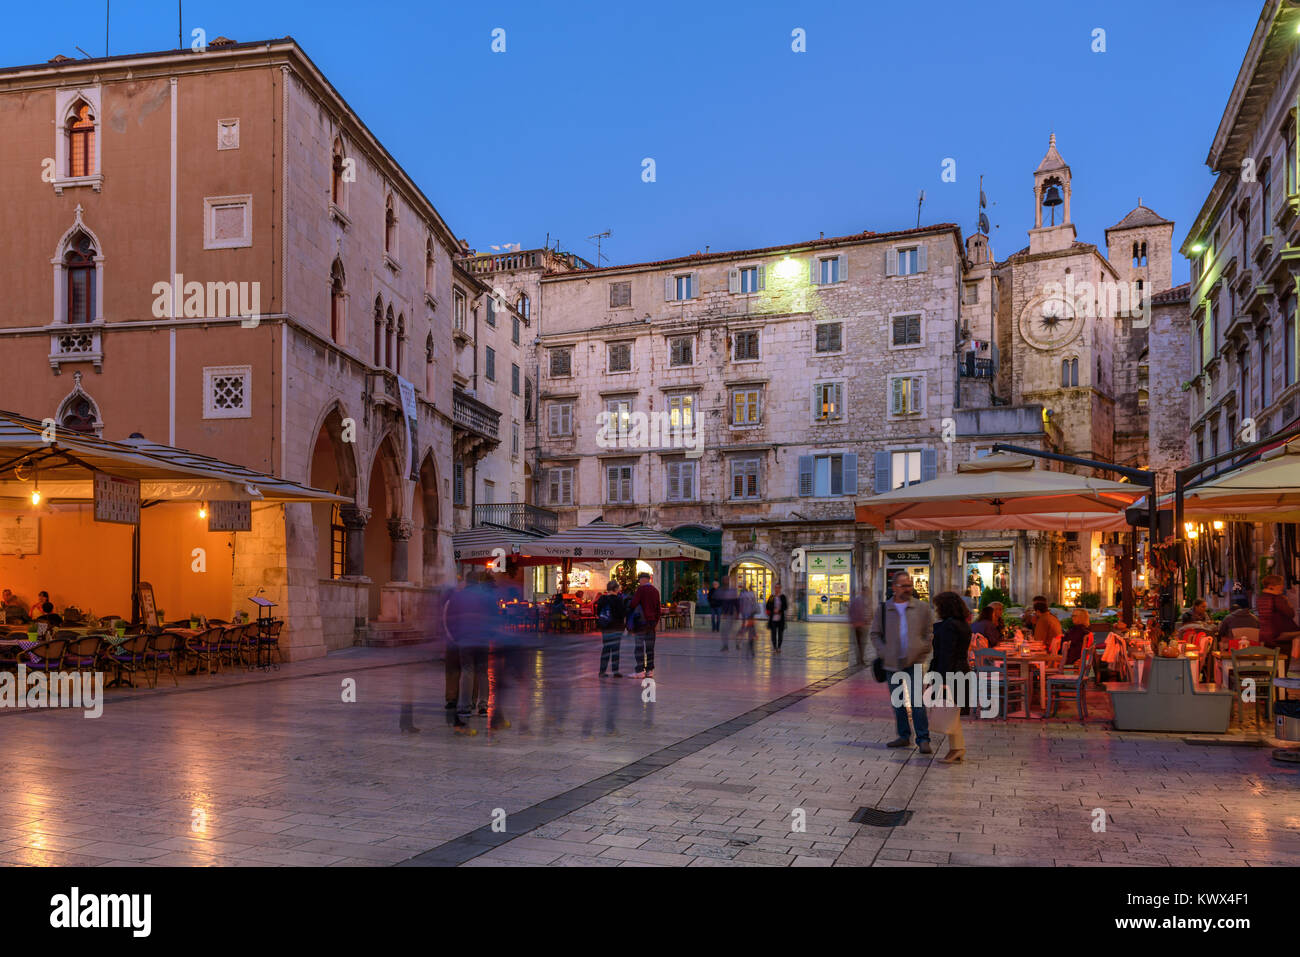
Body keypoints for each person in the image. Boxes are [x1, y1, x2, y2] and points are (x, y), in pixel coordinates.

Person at [868, 572, 934, 754]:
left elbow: (930, 632)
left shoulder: (922, 608)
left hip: (915, 662)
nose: (908, 589)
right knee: (898, 702)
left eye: (910, 585)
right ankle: (904, 736)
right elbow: (875, 634)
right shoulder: (884, 609)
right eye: (904, 586)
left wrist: (924, 648)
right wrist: (884, 652)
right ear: (894, 587)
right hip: (892, 664)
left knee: (917, 702)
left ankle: (923, 738)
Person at [929, 590, 971, 763]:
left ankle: (956, 749)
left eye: (938, 606)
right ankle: (957, 749)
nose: (936, 609)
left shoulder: (949, 626)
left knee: (951, 712)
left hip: (951, 673)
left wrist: (943, 681)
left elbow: (947, 654)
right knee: (954, 712)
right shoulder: (963, 624)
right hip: (961, 670)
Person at [627, 571, 661, 679]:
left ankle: (640, 671)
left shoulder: (641, 590)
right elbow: (658, 608)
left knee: (639, 647)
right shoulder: (655, 591)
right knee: (650, 648)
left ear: (642, 579)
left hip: (641, 623)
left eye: (639, 580)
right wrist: (656, 622)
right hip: (652, 623)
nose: (639, 582)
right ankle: (650, 670)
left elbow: (633, 604)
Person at [1258, 574, 1300, 655]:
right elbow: (1290, 613)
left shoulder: (1261, 597)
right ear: (1271, 586)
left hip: (1266, 635)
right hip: (1280, 634)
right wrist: (1287, 602)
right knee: (1283, 661)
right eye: (1280, 584)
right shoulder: (1277, 598)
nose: (1282, 586)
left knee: (1271, 661)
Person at [595, 580, 626, 678]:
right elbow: (622, 613)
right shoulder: (618, 600)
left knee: (606, 649)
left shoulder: (602, 599)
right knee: (615, 649)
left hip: (606, 627)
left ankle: (602, 671)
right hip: (616, 627)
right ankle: (615, 671)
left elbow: (598, 611)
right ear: (616, 589)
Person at [848, 592, 870, 666]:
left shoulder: (855, 600)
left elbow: (850, 611)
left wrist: (852, 621)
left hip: (856, 625)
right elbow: (863, 613)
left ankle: (859, 660)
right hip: (861, 625)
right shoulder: (862, 601)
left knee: (858, 644)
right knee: (862, 644)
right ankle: (861, 660)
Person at [765, 582, 788, 653]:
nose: (777, 589)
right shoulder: (772, 597)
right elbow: (767, 606)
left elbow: (785, 606)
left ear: (780, 588)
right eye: (776, 587)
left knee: (780, 634)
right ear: (774, 588)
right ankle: (775, 647)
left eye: (778, 587)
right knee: (773, 633)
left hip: (780, 618)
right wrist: (773, 609)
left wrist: (779, 610)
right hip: (773, 618)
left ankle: (779, 647)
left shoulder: (783, 597)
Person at [737, 583, 759, 653]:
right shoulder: (752, 594)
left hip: (745, 613)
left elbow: (739, 604)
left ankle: (741, 641)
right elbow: (754, 604)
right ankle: (747, 641)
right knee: (749, 628)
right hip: (750, 614)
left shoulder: (742, 595)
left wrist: (739, 611)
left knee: (746, 628)